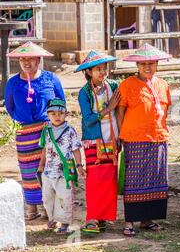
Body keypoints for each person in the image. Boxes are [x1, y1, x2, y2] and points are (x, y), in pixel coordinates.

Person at [4, 41, 65, 221]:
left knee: (49, 168)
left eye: (31, 59)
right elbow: (10, 106)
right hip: (25, 133)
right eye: (23, 59)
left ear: (38, 60)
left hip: (48, 131)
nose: (27, 63)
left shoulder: (50, 79)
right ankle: (32, 206)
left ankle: (49, 207)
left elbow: (60, 102)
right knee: (28, 170)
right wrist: (22, 119)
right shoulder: (13, 83)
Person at [116, 44, 172, 237]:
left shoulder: (163, 84)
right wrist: (121, 135)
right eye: (143, 64)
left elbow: (165, 111)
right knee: (134, 181)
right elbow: (120, 111)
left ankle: (147, 219)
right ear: (137, 65)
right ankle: (129, 221)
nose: (147, 67)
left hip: (159, 138)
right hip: (134, 139)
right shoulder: (127, 84)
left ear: (157, 64)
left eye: (151, 63)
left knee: (155, 179)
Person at [76, 51, 120, 233]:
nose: (102, 72)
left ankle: (103, 217)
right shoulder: (84, 92)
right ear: (88, 72)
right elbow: (88, 119)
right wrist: (108, 108)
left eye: (104, 68)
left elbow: (120, 111)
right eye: (98, 69)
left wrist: (121, 136)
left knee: (109, 180)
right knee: (95, 179)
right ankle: (92, 218)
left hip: (112, 138)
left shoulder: (113, 85)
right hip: (93, 141)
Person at [36, 98, 84, 234]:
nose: (57, 117)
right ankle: (53, 218)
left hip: (64, 171)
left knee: (64, 196)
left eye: (60, 113)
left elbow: (76, 149)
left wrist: (79, 165)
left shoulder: (70, 131)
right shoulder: (46, 131)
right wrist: (41, 166)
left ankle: (64, 223)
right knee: (48, 196)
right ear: (48, 115)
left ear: (66, 114)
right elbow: (44, 149)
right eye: (53, 114)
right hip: (49, 171)